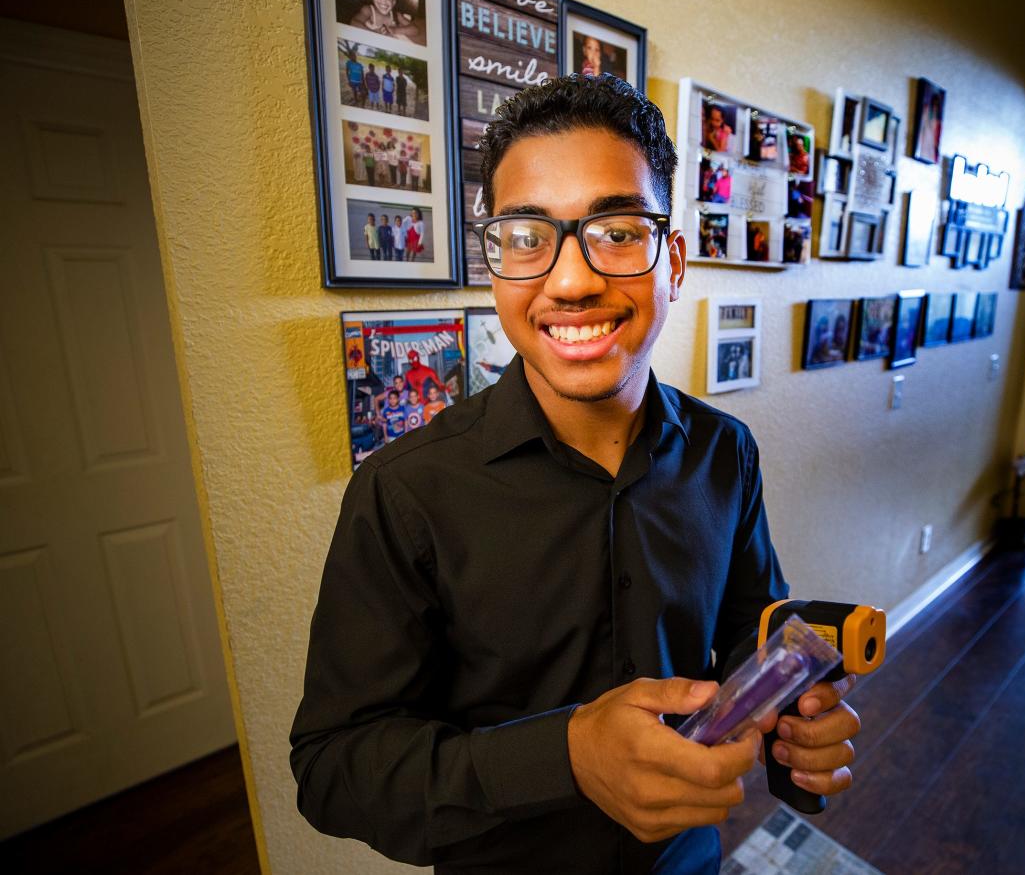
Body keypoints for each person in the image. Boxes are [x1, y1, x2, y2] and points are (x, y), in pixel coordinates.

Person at [291, 74, 859, 874]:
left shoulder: (725, 452)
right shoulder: (404, 493)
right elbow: (331, 767)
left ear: (674, 262)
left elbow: (742, 632)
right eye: (526, 236)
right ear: (495, 267)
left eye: (619, 230)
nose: (571, 279)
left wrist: (791, 713)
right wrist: (563, 755)